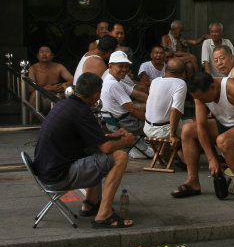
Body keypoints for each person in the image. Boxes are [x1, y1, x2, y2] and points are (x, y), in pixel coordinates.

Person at [33, 72, 135, 228]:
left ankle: (90, 203)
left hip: (46, 171)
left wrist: (113, 136)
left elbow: (95, 139)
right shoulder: (81, 112)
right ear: (95, 95)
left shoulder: (66, 104)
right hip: (58, 176)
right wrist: (125, 141)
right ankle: (104, 215)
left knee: (95, 151)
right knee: (120, 156)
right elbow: (106, 148)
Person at [173, 73, 234, 207]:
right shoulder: (199, 94)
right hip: (225, 123)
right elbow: (201, 126)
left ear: (212, 87)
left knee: (223, 140)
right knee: (188, 130)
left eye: (203, 98)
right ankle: (193, 182)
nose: (201, 101)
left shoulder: (232, 87)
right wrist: (211, 158)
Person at [143, 58, 188, 150]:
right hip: (162, 131)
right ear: (183, 73)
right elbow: (175, 110)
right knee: (192, 127)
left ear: (165, 70)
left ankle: (165, 153)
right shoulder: (180, 83)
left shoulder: (155, 81)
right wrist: (172, 135)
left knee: (177, 123)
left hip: (147, 129)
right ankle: (188, 161)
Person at [101, 51, 146, 137]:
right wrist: (150, 122)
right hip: (125, 123)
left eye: (127, 66)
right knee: (160, 127)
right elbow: (133, 109)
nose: (125, 69)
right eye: (120, 66)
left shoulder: (116, 80)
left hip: (124, 119)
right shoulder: (112, 84)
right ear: (110, 66)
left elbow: (137, 94)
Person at [28, 44, 73, 113]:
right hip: (40, 97)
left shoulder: (58, 67)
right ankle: (30, 122)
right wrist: (50, 88)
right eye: (41, 52)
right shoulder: (33, 68)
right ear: (37, 56)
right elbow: (31, 88)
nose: (44, 54)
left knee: (69, 92)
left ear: (52, 55)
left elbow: (72, 80)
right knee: (34, 94)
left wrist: (62, 86)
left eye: (47, 51)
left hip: (56, 96)